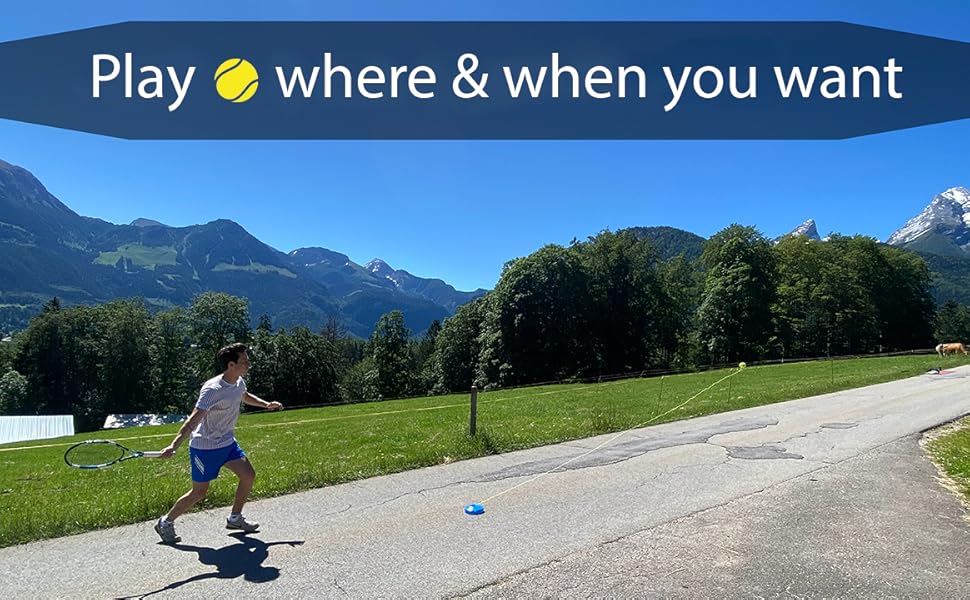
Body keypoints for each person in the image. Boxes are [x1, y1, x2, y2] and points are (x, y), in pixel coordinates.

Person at [154, 342, 283, 544]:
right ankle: (165, 522)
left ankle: (235, 518)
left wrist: (266, 404)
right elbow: (193, 420)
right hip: (204, 448)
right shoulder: (213, 389)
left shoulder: (238, 381)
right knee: (199, 492)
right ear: (231, 365)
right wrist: (174, 445)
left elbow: (244, 396)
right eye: (244, 361)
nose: (249, 364)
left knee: (248, 475)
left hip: (227, 443)